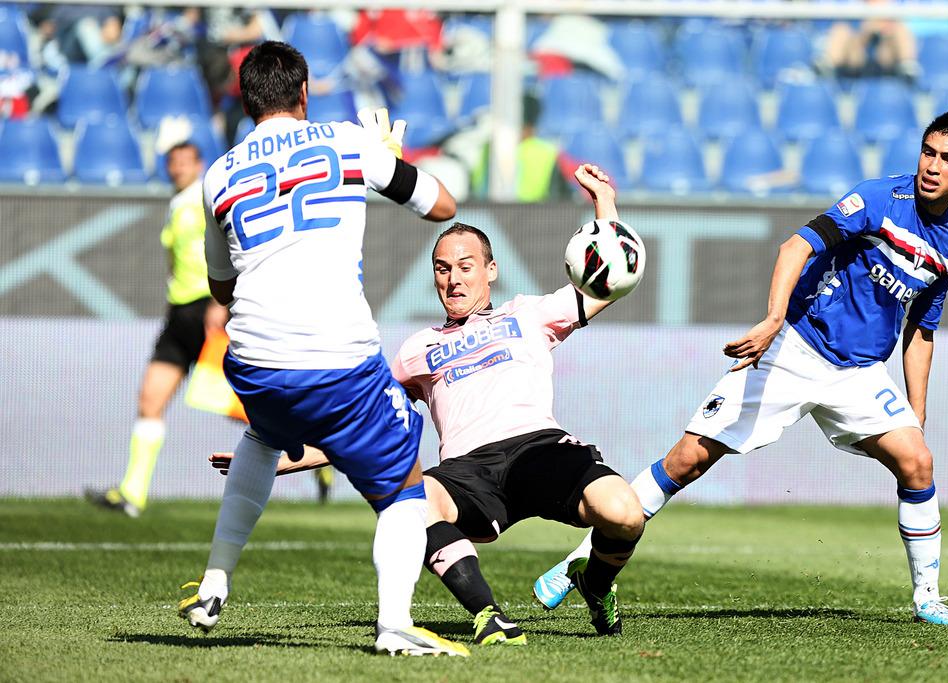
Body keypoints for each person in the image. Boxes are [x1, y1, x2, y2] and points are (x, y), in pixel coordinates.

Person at [534, 109, 948, 628]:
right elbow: (796, 245)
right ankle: (577, 561)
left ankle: (928, 598)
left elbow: (921, 331)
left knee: (918, 463)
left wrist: (917, 414)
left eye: (947, 158)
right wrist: (775, 319)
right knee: (687, 461)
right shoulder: (882, 198)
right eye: (928, 152)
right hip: (794, 344)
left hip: (858, 373)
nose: (932, 166)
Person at [213, 164, 647, 642]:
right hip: (468, 469)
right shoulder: (417, 348)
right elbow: (360, 420)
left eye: (466, 267)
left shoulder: (529, 313)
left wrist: (603, 201)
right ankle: (489, 617)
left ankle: (595, 582)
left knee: (625, 513)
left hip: (539, 449)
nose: (454, 279)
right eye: (443, 269)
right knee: (413, 505)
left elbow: (608, 277)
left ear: (490, 271)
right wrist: (276, 458)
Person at [178, 41, 468, 657]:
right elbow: (444, 206)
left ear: (246, 99)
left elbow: (220, 286)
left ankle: (214, 582)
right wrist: (386, 159)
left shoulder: (218, 174)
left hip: (253, 361)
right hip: (338, 358)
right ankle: (394, 625)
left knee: (261, 437)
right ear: (304, 93)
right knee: (404, 488)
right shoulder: (346, 141)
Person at [86, 142, 228, 518]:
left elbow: (228, 245)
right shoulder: (176, 204)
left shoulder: (205, 197)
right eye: (172, 163)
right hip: (179, 316)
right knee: (150, 399)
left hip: (209, 311)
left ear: (198, 164)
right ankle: (133, 494)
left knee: (253, 405)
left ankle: (318, 455)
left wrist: (221, 303)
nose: (178, 168)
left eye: (185, 161)